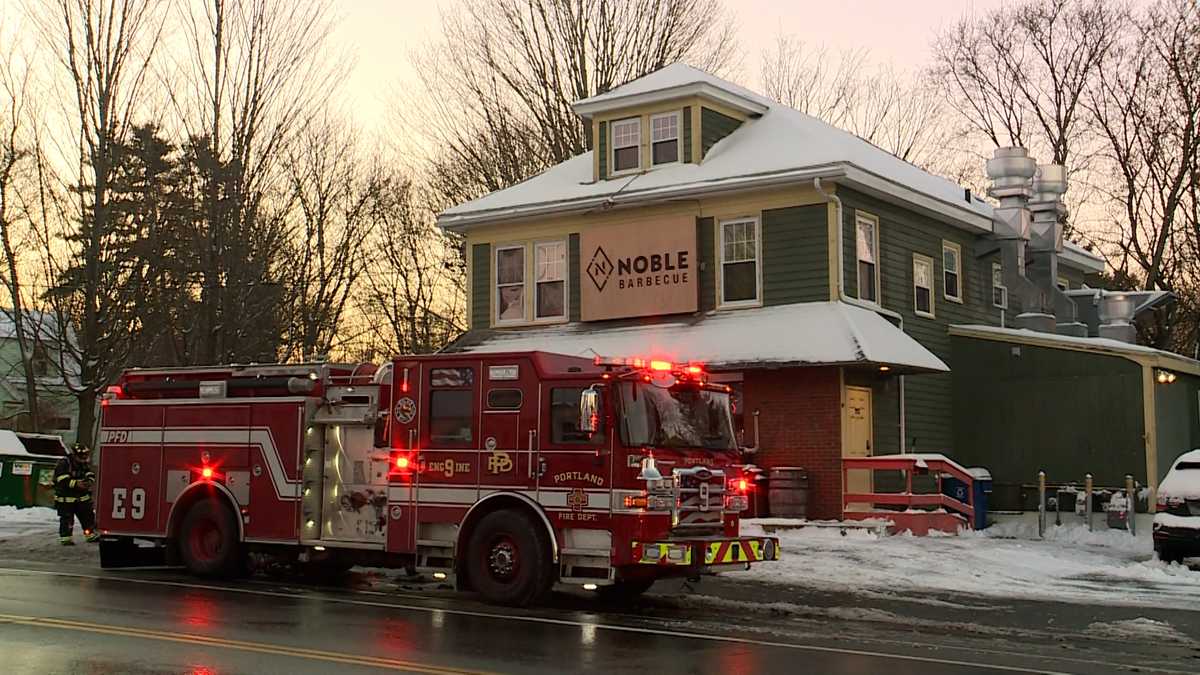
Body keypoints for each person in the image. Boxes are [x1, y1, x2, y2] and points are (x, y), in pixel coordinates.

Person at [54, 442, 98, 545]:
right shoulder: (64, 463)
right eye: (81, 456)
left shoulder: (83, 463)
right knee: (67, 518)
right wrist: (76, 484)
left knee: (88, 516)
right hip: (66, 499)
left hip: (82, 498)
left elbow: (90, 473)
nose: (84, 459)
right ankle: (66, 538)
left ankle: (90, 534)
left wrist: (89, 481)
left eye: (85, 456)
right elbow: (61, 479)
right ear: (74, 455)